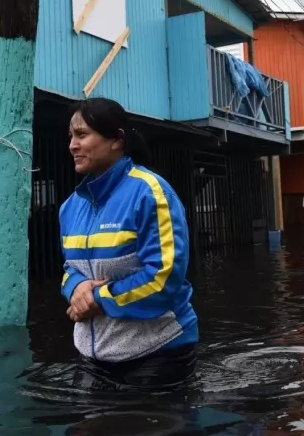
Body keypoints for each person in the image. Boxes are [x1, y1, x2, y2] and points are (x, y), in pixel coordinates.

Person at [59, 97, 199, 390]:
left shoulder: (150, 193)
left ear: (117, 140)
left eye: (82, 135)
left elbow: (163, 277)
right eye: (71, 136)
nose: (72, 145)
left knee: (141, 432)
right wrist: (75, 288)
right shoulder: (70, 207)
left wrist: (96, 300)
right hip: (93, 355)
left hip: (159, 352)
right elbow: (68, 268)